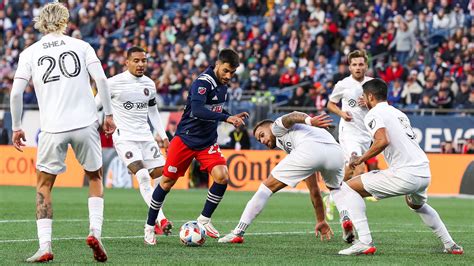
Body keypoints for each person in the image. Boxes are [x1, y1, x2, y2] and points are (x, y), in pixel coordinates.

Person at [10, 2, 116, 263]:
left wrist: (16, 126)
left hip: (52, 128)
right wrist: (109, 114)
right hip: (85, 123)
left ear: (40, 23)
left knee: (44, 185)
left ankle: (45, 246)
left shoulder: (30, 53)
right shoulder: (82, 46)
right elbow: (102, 80)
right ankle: (95, 232)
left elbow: (14, 93)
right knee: (95, 177)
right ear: (66, 20)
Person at [338, 78, 463, 255]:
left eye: (364, 97)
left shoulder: (373, 115)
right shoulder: (397, 112)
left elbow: (382, 140)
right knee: (416, 205)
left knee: (347, 188)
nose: (362, 101)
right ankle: (451, 244)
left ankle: (364, 241)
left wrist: (361, 159)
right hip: (423, 172)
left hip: (405, 174)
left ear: (371, 96)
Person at [144, 48, 249, 245]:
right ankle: (150, 226)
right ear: (217, 65)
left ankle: (204, 220)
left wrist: (229, 114)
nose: (229, 76)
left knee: (222, 176)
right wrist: (227, 118)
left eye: (232, 72)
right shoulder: (203, 82)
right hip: (185, 139)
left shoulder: (222, 85)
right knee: (166, 183)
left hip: (207, 142)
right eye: (226, 71)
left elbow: (214, 108)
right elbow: (199, 110)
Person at [218, 112, 360, 245]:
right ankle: (345, 218)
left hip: (309, 149)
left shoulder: (277, 127)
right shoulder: (294, 141)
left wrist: (309, 120)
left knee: (265, 188)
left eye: (262, 135)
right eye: (259, 140)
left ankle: (238, 232)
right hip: (335, 153)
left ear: (269, 126)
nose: (262, 140)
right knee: (336, 189)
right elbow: (314, 190)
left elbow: (291, 117)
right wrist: (321, 220)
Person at [95, 46, 173, 236]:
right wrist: (103, 120)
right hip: (125, 138)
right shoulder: (112, 83)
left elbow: (153, 112)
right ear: (126, 62)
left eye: (143, 61)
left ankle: (155, 218)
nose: (140, 64)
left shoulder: (149, 84)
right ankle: (160, 219)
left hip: (146, 138)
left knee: (167, 176)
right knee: (143, 176)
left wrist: (163, 136)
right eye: (136, 61)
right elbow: (94, 106)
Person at [327, 50, 373, 181]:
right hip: (349, 132)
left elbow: (382, 104)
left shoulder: (373, 84)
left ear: (366, 66)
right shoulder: (342, 84)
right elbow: (330, 104)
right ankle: (353, 200)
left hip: (365, 133)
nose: (358, 67)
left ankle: (334, 195)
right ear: (350, 67)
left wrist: (369, 103)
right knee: (359, 167)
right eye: (354, 65)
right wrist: (341, 113)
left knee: (350, 170)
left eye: (360, 64)